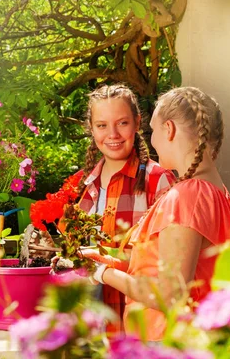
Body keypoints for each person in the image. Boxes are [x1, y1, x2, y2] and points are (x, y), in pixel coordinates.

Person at [83, 86, 230, 341]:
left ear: (169, 129)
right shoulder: (212, 191)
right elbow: (154, 263)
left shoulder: (188, 196)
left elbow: (170, 295)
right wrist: (101, 257)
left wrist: (103, 274)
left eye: (153, 131)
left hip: (169, 344)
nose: (152, 140)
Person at [57, 83, 175, 334]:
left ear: (137, 122)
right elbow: (73, 253)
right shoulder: (82, 184)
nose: (112, 134)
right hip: (91, 323)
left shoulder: (158, 180)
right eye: (102, 125)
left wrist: (102, 262)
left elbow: (167, 262)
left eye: (122, 123)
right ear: (91, 128)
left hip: (139, 327)